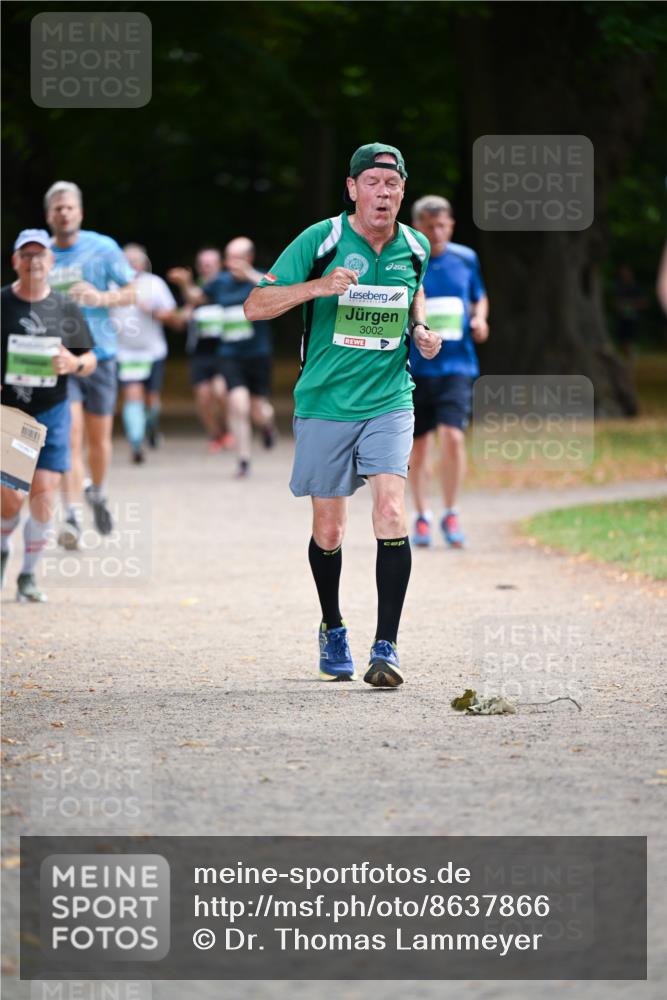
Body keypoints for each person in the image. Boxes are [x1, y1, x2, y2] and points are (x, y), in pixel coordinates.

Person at [245, 143, 440, 687]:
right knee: (329, 529)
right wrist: (317, 287)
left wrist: (419, 330)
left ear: (403, 192)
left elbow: (413, 291)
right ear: (352, 188)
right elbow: (255, 305)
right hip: (325, 401)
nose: (384, 192)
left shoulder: (415, 245)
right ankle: (332, 625)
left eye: (393, 184)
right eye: (373, 183)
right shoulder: (321, 239)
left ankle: (387, 646)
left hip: (389, 398)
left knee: (391, 513)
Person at [1, 229, 96, 601]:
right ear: (15, 261)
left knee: (44, 495)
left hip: (52, 412)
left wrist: (73, 362)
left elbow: (89, 359)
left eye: (40, 255)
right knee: (9, 500)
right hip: (9, 413)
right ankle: (5, 546)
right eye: (26, 255)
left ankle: (28, 576)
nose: (34, 262)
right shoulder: (2, 303)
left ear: (51, 262)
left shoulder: (66, 308)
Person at [45, 181, 136, 549]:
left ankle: (96, 491)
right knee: (69, 435)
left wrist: (101, 296)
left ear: (79, 212)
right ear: (49, 215)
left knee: (98, 440)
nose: (64, 213)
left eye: (69, 207)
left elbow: (132, 291)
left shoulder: (103, 248)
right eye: (57, 208)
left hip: (100, 355)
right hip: (59, 357)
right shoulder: (42, 254)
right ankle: (71, 517)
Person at [407, 195, 489, 549]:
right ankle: (422, 515)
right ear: (417, 228)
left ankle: (451, 510)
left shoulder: (466, 258)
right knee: (419, 447)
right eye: (429, 226)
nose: (437, 233)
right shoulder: (407, 260)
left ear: (451, 225)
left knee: (453, 437)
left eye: (442, 225)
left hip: (457, 365)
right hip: (416, 368)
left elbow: (479, 295)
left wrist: (480, 318)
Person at [203, 237, 276, 478]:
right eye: (228, 257)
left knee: (259, 409)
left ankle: (267, 426)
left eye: (237, 257)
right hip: (230, 354)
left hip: (257, 354)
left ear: (249, 258)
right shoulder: (220, 283)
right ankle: (243, 459)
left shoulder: (261, 278)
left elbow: (277, 293)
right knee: (238, 403)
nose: (231, 263)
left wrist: (249, 274)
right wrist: (184, 286)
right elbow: (198, 297)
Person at [112, 244, 177, 463]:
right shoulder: (111, 285)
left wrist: (154, 311)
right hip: (125, 353)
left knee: (151, 401)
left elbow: (173, 316)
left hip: (153, 352)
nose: (131, 264)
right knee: (132, 397)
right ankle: (136, 443)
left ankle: (151, 427)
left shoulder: (155, 284)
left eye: (135, 260)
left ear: (144, 262)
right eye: (126, 260)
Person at [167, 248, 233, 453]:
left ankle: (228, 430)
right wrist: (181, 315)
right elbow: (181, 317)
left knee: (221, 392)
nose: (207, 267)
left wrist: (186, 285)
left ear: (220, 264)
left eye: (210, 263)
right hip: (199, 352)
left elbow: (199, 298)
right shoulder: (194, 290)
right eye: (203, 263)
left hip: (223, 350)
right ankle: (215, 434)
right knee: (203, 397)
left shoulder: (225, 285)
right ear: (198, 267)